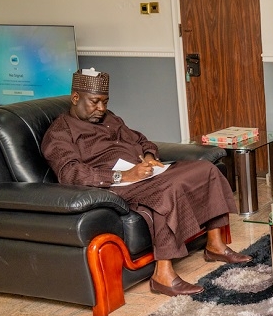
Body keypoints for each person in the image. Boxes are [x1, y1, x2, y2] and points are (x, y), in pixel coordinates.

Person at [42, 68, 248, 298]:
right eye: (95, 102)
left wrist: (149, 157)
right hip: (114, 184)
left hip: (143, 174)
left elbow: (141, 140)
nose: (101, 109)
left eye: (105, 102)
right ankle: (163, 275)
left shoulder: (109, 118)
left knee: (206, 169)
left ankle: (215, 245)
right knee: (166, 190)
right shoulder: (59, 133)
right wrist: (125, 176)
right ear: (75, 98)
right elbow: (71, 173)